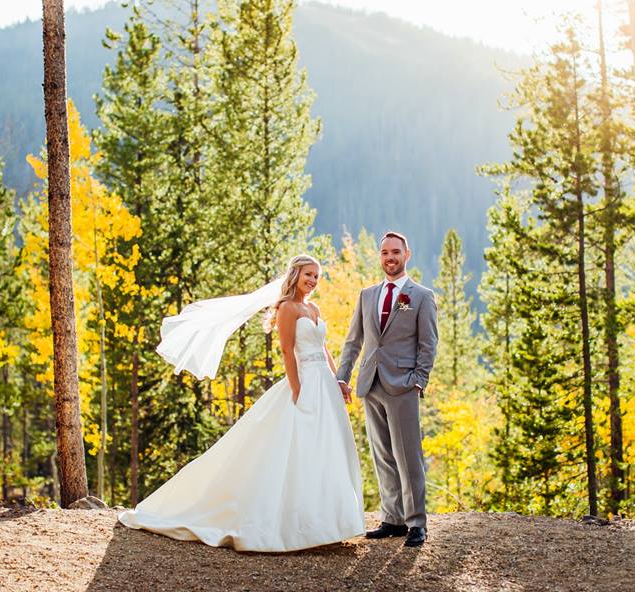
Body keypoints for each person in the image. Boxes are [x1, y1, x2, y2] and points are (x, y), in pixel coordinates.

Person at [118, 255, 365, 552]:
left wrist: (338, 381)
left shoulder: (314, 308)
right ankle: (293, 525)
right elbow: (288, 352)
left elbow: (324, 349)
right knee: (296, 449)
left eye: (317, 276)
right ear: (296, 274)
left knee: (327, 448)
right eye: (308, 274)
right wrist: (298, 391)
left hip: (324, 383)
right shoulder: (287, 308)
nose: (312, 280)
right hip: (305, 383)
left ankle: (327, 522)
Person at [336, 231, 438, 548]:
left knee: (409, 457)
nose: (389, 257)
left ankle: (416, 523)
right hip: (371, 384)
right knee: (382, 455)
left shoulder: (421, 296)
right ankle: (392, 519)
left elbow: (428, 342)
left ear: (407, 255)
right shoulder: (367, 295)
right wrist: (343, 376)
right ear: (380, 257)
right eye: (384, 253)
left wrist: (418, 379)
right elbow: (354, 341)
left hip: (404, 385)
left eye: (395, 252)